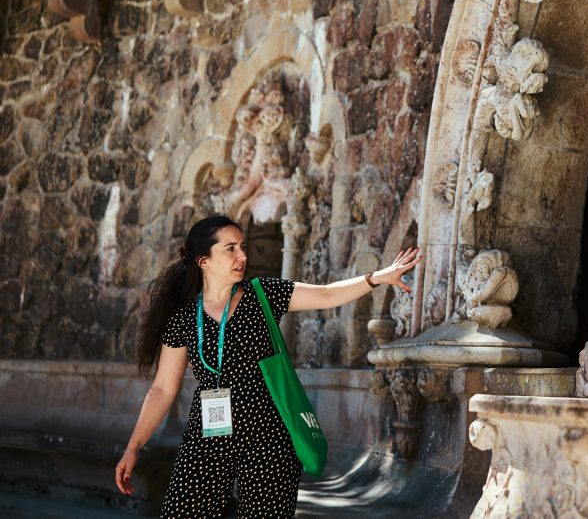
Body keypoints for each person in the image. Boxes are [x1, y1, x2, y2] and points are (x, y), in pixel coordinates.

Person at [114, 214, 422, 518]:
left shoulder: (263, 294)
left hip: (269, 433)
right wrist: (134, 447)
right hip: (208, 431)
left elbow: (327, 294)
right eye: (230, 248)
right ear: (203, 260)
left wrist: (376, 278)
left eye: (242, 246)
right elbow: (163, 388)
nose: (242, 255)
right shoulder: (183, 317)